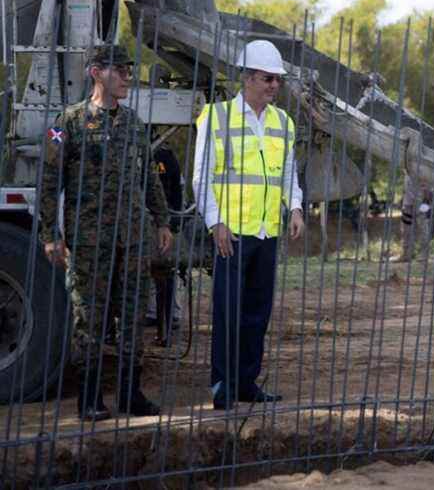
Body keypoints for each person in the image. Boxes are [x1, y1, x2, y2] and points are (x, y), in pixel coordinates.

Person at [39, 44, 173, 421]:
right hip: (89, 240)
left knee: (131, 315)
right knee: (90, 318)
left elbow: (149, 177)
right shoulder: (69, 122)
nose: (128, 78)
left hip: (132, 239)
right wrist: (50, 234)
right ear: (97, 73)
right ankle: (91, 398)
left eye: (130, 71)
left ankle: (131, 394)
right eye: (122, 71)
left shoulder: (133, 123)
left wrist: (162, 220)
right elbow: (50, 182)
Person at [192, 40, 305, 410]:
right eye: (268, 79)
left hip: (265, 231)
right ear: (248, 78)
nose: (275, 86)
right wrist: (215, 221)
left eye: (277, 81)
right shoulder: (216, 116)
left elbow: (288, 172)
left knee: (258, 311)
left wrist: (297, 207)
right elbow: (201, 176)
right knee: (228, 310)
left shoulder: (282, 122)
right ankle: (222, 385)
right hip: (232, 233)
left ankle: (246, 382)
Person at [145, 143, 184, 337]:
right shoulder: (163, 155)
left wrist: (173, 222)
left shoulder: (165, 156)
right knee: (158, 271)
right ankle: (156, 313)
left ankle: (169, 315)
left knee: (165, 270)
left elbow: (176, 189)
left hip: (163, 221)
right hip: (156, 220)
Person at [390, 173, 432, 262]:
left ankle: (424, 254)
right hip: (408, 202)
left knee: (423, 227)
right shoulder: (407, 168)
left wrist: (426, 202)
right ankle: (406, 254)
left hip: (421, 201)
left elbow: (428, 187)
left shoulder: (423, 168)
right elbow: (406, 187)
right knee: (406, 229)